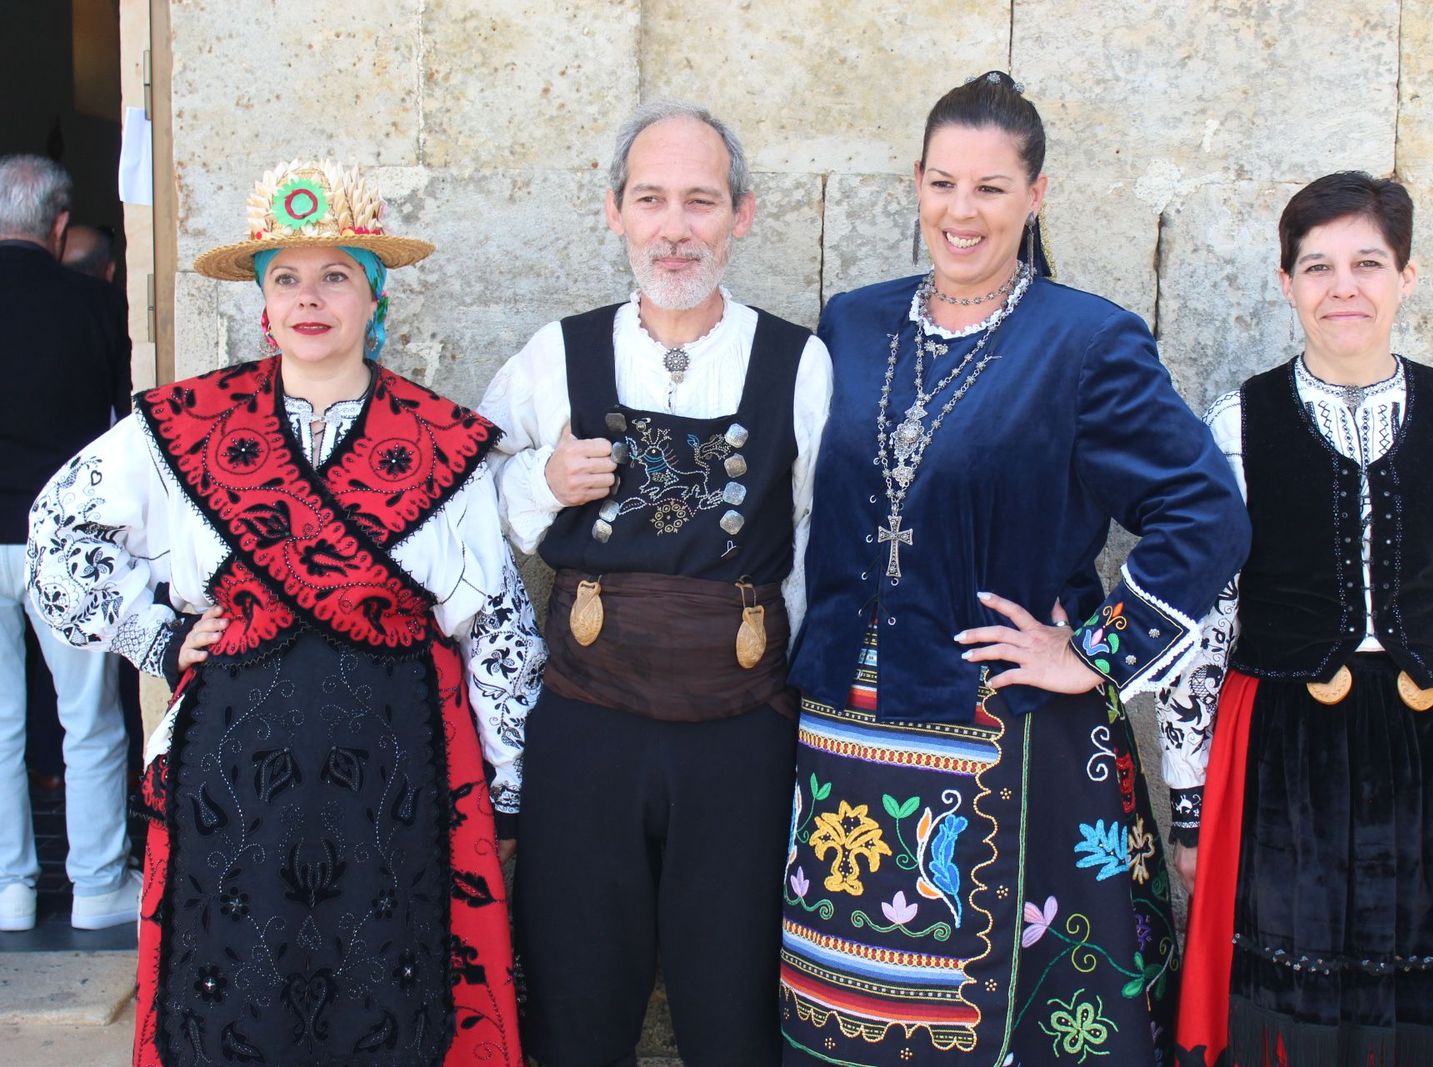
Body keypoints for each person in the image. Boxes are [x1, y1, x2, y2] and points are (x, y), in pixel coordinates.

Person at [27, 159, 542, 1066]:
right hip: (234, 774)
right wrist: (150, 632)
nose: (311, 298)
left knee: (396, 1000)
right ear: (263, 305)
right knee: (239, 1003)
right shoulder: (181, 427)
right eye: (287, 278)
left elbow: (496, 624)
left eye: (336, 274)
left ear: (373, 297)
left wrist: (508, 795)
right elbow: (56, 528)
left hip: (402, 768)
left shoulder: (439, 438)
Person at [779, 72, 1249, 1065]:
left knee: (1000, 1025)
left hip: (1005, 741)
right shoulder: (853, 324)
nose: (961, 211)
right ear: (915, 183)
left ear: (1034, 195)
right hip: (843, 738)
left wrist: (1099, 649)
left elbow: (1204, 511)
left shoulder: (1083, 340)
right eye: (943, 183)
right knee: (846, 1017)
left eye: (990, 188)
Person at [479, 100, 832, 1066]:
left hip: (744, 729)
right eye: (651, 200)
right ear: (615, 213)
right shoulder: (557, 353)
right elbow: (463, 501)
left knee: (736, 1012)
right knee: (578, 1003)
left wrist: (792, 688)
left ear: (741, 215)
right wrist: (540, 484)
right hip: (588, 723)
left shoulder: (800, 364)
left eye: (700, 202)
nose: (675, 228)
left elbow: (823, 541)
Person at [1167, 171, 1433, 1066]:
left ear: (1406, 277)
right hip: (1286, 751)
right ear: (1286, 281)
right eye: (1318, 265)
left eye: (1367, 263)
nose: (1344, 286)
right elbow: (1205, 620)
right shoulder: (1237, 422)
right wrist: (1190, 802)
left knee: (1430, 993)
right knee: (1288, 998)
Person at [0, 153, 135, 933]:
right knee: (86, 719)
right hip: (65, 535)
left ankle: (10, 889)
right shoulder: (92, 305)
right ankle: (94, 886)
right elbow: (123, 419)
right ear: (58, 225)